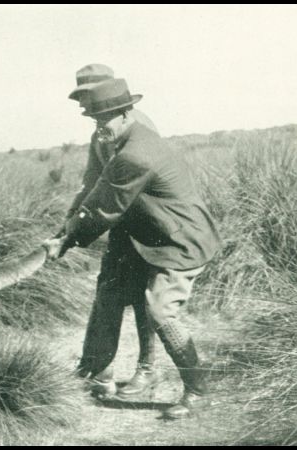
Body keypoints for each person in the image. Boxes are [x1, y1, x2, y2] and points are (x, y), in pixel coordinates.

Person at [57, 77, 222, 419]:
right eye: (94, 119)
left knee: (160, 309)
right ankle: (101, 374)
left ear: (124, 114)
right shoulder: (124, 141)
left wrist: (67, 239)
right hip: (156, 237)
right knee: (120, 295)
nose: (99, 126)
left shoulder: (136, 152)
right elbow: (97, 190)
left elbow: (106, 208)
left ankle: (198, 390)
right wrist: (67, 228)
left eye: (104, 119)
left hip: (181, 240)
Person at [63, 64, 161, 399]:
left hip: (148, 225)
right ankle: (98, 370)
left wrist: (83, 226)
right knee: (108, 292)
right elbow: (92, 181)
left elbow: (132, 185)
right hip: (120, 224)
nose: (83, 103)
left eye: (87, 95)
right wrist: (70, 220)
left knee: (146, 299)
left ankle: (148, 370)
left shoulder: (137, 127)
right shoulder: (100, 133)